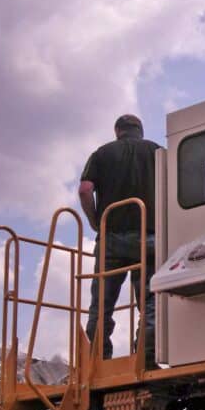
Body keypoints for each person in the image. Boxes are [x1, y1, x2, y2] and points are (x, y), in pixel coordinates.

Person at [79, 114, 159, 365]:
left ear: (117, 131)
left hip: (111, 238)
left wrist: (95, 222)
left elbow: (84, 190)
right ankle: (145, 358)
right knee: (151, 302)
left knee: (101, 306)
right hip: (150, 236)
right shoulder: (157, 152)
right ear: (140, 131)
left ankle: (99, 361)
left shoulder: (102, 154)